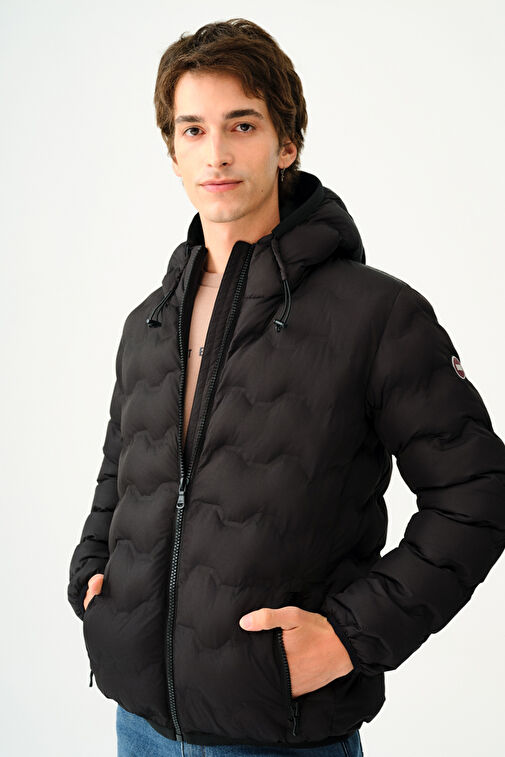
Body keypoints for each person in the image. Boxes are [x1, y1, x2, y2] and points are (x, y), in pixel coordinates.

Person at [67, 17, 505, 757]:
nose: (216, 152)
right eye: (194, 129)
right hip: (138, 725)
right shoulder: (148, 321)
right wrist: (90, 577)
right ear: (172, 152)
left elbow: (478, 492)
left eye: (241, 125)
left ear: (287, 142)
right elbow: (122, 474)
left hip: (281, 733)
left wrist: (349, 636)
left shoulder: (375, 314)